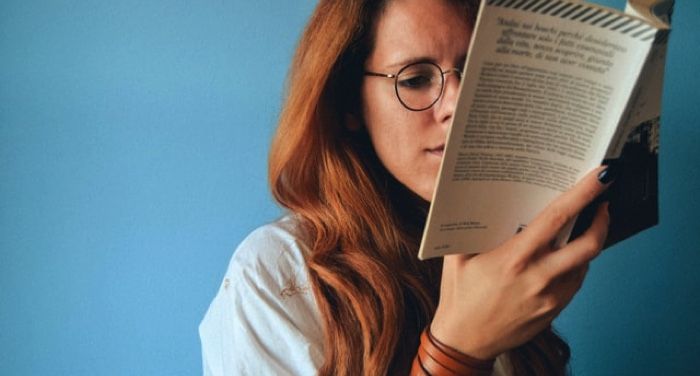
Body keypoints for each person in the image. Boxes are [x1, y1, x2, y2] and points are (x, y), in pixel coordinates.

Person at [200, 0, 614, 374]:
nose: (458, 104)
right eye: (415, 79)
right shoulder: (277, 273)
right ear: (349, 104)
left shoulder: (500, 249)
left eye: (476, 72)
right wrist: (457, 352)